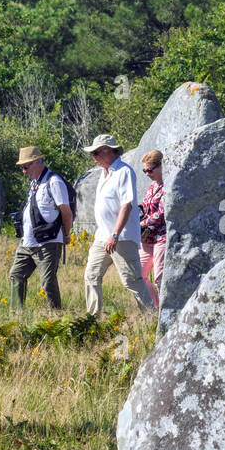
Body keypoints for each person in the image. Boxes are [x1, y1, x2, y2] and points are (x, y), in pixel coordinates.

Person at [82, 134, 157, 315]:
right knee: (91, 275)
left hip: (121, 237)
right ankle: (92, 318)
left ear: (108, 150)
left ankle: (152, 319)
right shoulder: (105, 173)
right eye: (93, 153)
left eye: (97, 152)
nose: (94, 157)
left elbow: (127, 205)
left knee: (132, 280)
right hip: (102, 236)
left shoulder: (124, 171)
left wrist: (115, 234)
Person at [9, 146, 72, 309]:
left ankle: (57, 317)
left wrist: (66, 234)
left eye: (25, 166)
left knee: (47, 282)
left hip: (48, 242)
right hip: (27, 243)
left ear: (37, 162)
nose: (23, 171)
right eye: (21, 167)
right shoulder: (35, 184)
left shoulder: (54, 182)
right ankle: (16, 316)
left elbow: (66, 212)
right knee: (16, 275)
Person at [138, 149, 166, 308]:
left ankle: (166, 313)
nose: (147, 173)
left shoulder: (168, 186)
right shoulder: (151, 187)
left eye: (150, 170)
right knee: (138, 275)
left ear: (161, 166)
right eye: (144, 170)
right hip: (147, 238)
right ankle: (154, 309)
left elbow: (162, 213)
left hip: (162, 237)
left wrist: (142, 223)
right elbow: (146, 208)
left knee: (160, 278)